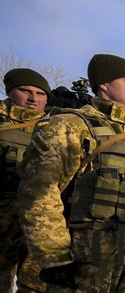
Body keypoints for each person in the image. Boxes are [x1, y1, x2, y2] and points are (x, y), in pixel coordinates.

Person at [18, 54, 125, 291]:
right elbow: (40, 191)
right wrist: (53, 254)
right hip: (87, 259)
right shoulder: (70, 127)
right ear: (104, 84)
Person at [0, 68, 50, 293]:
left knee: (37, 286)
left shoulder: (56, 128)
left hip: (40, 222)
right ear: (10, 91)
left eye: (40, 93)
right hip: (3, 216)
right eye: (25, 91)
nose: (33, 99)